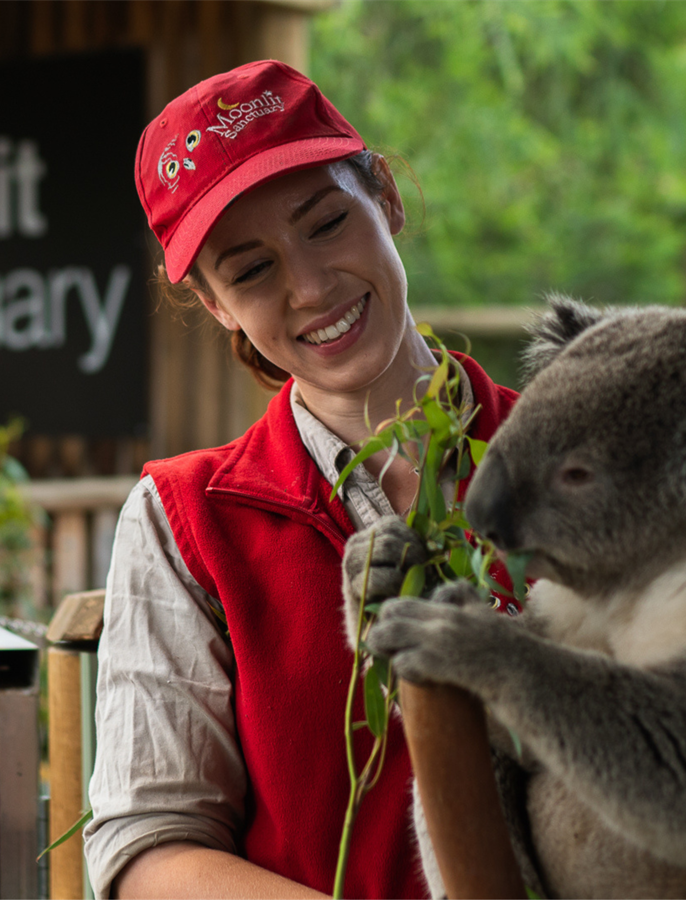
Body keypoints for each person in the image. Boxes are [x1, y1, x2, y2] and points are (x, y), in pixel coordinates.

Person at [82, 60, 521, 899]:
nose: (310, 287)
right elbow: (146, 849)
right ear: (215, 306)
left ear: (383, 198)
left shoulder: (578, 453)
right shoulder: (190, 519)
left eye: (326, 224)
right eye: (250, 271)